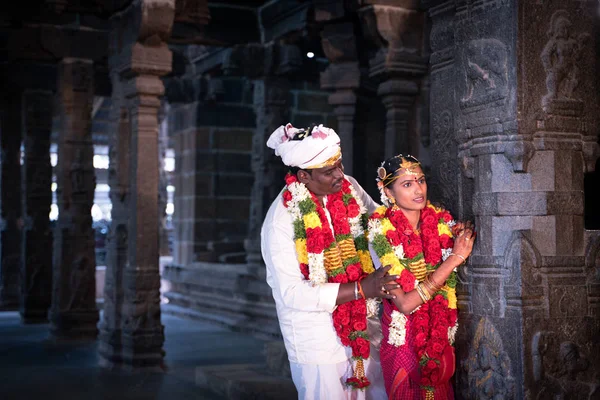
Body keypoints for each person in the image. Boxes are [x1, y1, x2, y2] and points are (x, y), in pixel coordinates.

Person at [261, 123, 397, 400]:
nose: (339, 175)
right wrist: (361, 289)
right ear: (303, 176)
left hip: (362, 322)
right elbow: (292, 293)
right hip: (315, 337)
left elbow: (380, 225)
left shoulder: (350, 187)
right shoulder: (281, 222)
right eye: (328, 171)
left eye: (339, 164)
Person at [366, 154, 475, 399]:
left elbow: (460, 237)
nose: (419, 190)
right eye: (407, 184)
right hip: (403, 340)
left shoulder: (441, 223)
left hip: (438, 334)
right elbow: (404, 304)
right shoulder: (380, 234)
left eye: (421, 181)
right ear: (389, 192)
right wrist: (454, 259)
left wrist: (457, 237)